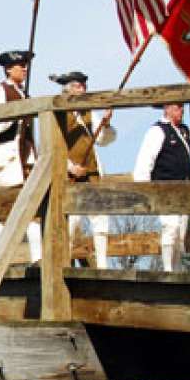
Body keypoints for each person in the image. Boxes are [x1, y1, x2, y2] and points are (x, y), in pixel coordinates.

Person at [50, 71, 116, 268]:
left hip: (91, 172)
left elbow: (104, 140)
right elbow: (53, 148)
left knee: (100, 218)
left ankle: (103, 266)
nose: (83, 90)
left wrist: (106, 123)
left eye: (83, 87)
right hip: (70, 176)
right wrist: (70, 167)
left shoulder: (88, 112)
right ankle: (65, 265)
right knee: (71, 224)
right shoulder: (59, 115)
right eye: (78, 87)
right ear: (68, 90)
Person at [133, 102, 190, 272]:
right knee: (171, 227)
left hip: (185, 190)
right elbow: (145, 162)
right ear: (166, 109)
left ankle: (176, 269)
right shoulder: (157, 131)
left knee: (180, 232)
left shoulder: (188, 132)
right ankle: (168, 269)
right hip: (164, 190)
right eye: (176, 107)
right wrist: (144, 191)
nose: (180, 110)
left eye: (182, 107)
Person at [0, 50, 42, 264]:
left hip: (24, 160)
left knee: (33, 208)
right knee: (4, 211)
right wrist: (15, 113)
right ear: (9, 69)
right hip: (6, 160)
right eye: (20, 65)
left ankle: (38, 259)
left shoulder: (25, 94)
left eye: (26, 65)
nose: (24, 68)